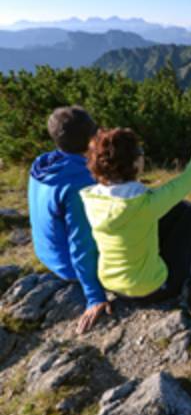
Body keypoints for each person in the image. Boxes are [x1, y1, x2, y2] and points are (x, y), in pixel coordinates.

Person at [80, 124, 191, 303]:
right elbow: (189, 178)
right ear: (134, 163)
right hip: (154, 288)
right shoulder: (145, 204)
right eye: (140, 151)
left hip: (111, 285)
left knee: (178, 208)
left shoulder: (91, 199)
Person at [28, 106, 111, 334]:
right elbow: (81, 243)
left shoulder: (43, 165)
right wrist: (94, 296)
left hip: (46, 252)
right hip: (68, 265)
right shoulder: (79, 184)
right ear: (90, 138)